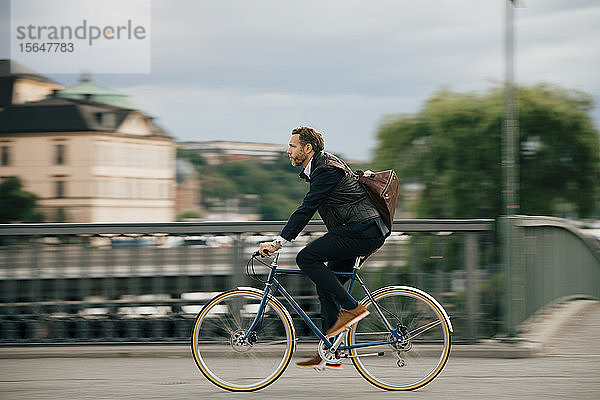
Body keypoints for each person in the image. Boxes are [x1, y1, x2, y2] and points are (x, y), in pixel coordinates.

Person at [259, 126, 388, 368]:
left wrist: (279, 242)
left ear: (308, 148)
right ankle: (331, 349)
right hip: (359, 230)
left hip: (362, 230)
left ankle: (352, 308)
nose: (288, 151)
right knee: (326, 286)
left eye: (292, 146)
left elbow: (307, 208)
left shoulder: (326, 169)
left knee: (306, 258)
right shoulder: (321, 167)